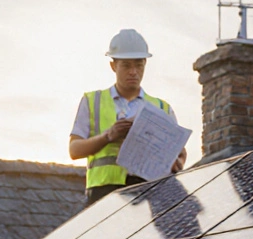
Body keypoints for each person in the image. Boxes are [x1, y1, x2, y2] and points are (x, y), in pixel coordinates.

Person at [69, 28, 188, 204]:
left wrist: (176, 163)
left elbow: (179, 152)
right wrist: (108, 136)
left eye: (139, 64)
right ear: (113, 66)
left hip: (149, 193)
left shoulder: (162, 108)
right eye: (126, 65)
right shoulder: (92, 101)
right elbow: (74, 150)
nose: (133, 71)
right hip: (104, 193)